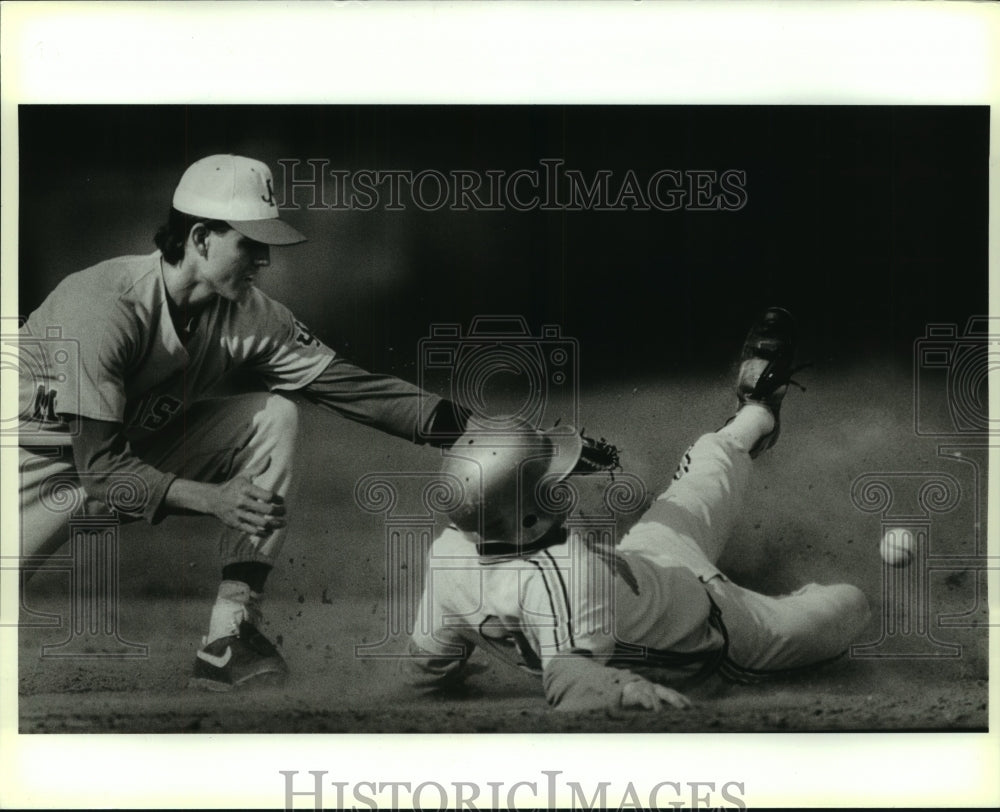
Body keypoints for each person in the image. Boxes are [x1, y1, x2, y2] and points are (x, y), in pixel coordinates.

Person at [17, 154, 468, 691]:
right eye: (250, 244)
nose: (264, 260)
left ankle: (229, 635)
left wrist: (487, 433)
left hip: (118, 455)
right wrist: (211, 498)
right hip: (27, 469)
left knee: (272, 416)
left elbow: (356, 390)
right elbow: (99, 471)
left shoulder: (249, 314)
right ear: (201, 239)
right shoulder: (103, 305)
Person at [402, 308, 871, 711]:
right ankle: (786, 603)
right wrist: (625, 689)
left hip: (649, 558)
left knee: (709, 462)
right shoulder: (563, 572)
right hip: (725, 632)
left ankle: (758, 410)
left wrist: (440, 681)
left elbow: (428, 662)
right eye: (550, 485)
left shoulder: (452, 552)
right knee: (850, 603)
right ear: (526, 514)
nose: (562, 488)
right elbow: (569, 677)